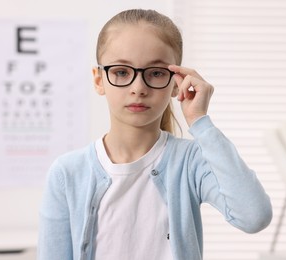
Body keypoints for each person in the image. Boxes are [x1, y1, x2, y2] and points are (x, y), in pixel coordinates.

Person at [38, 8, 272, 260]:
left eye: (156, 73)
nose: (138, 88)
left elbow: (253, 216)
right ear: (99, 80)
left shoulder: (190, 161)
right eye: (121, 72)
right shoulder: (67, 172)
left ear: (176, 82)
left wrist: (199, 121)